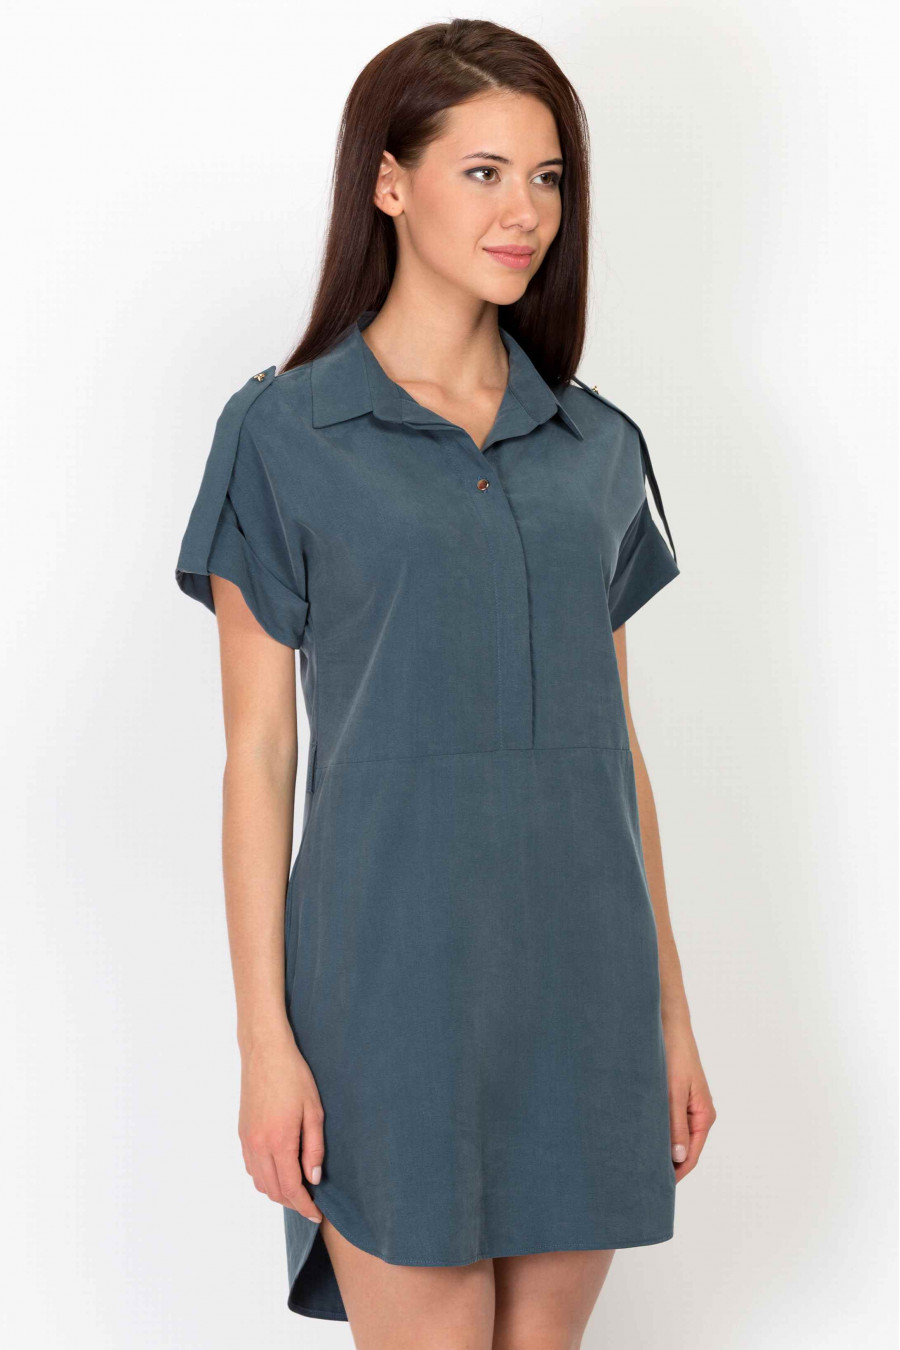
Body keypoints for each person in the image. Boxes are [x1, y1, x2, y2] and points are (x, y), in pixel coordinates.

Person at [174, 17, 716, 1348]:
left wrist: (672, 1014)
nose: (524, 211)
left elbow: (615, 748)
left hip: (585, 988)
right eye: (482, 171)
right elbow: (258, 755)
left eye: (547, 177)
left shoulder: (595, 443)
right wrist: (265, 1045)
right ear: (389, 181)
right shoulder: (284, 430)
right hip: (385, 992)